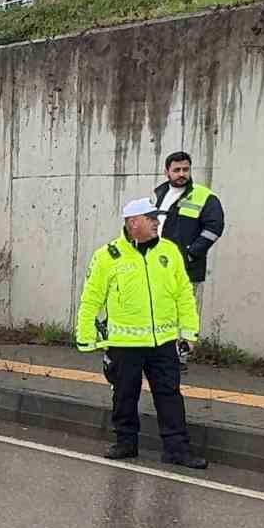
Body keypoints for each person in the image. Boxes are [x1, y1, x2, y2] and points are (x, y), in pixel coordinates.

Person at [77, 198, 207, 469]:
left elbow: (184, 293)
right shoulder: (108, 256)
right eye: (152, 219)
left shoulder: (170, 251)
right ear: (133, 222)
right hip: (125, 343)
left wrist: (190, 331)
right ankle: (125, 442)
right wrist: (85, 333)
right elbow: (92, 297)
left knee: (169, 394)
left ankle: (176, 449)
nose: (157, 223)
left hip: (163, 342)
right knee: (124, 394)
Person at [152, 151, 225, 307]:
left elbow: (214, 228)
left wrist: (190, 254)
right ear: (167, 172)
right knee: (161, 312)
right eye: (177, 170)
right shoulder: (161, 194)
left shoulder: (205, 196)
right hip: (159, 265)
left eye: (185, 169)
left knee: (185, 315)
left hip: (187, 269)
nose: (182, 174)